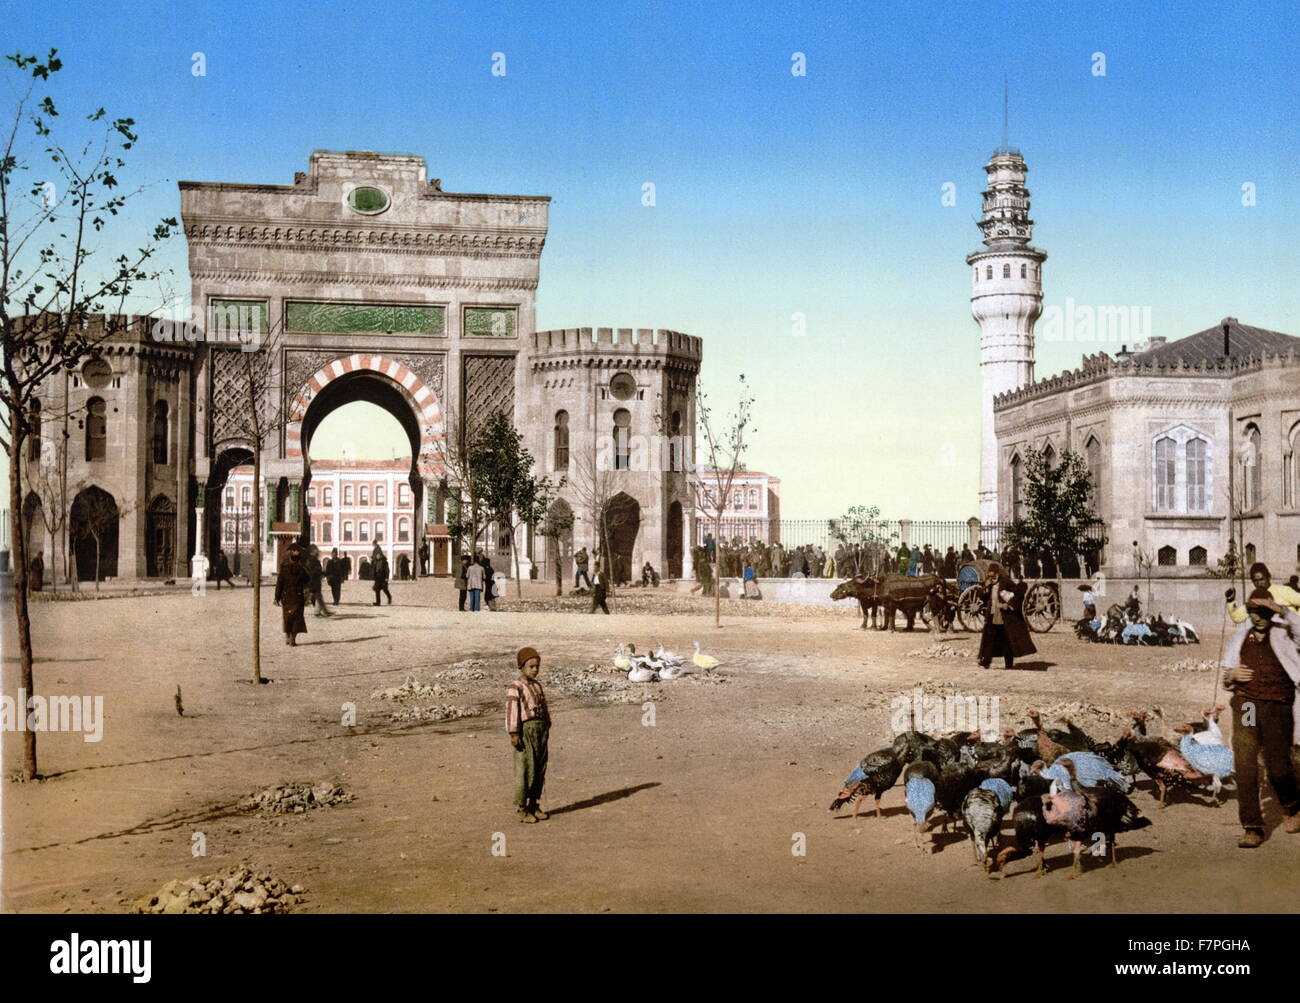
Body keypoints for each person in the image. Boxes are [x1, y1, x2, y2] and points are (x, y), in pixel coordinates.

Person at [1220, 588, 1300, 847]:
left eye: (1263, 612)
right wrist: (1231, 676)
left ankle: (1292, 806)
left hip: (1278, 706)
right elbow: (1225, 676)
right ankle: (1252, 826)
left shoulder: (1285, 633)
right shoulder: (1240, 637)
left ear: (1271, 612)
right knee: (1245, 761)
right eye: (1253, 612)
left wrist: (1282, 610)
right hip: (1248, 704)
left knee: (1278, 766)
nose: (1258, 618)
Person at [506, 646, 551, 823]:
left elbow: (544, 706)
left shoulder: (537, 686)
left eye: (537, 666)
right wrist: (514, 733)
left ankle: (534, 804)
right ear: (521, 667)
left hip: (541, 731)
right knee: (526, 769)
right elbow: (512, 712)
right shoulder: (515, 687)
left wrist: (547, 723)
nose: (535, 670)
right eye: (531, 666)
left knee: (539, 769)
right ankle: (522, 808)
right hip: (525, 733)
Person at [977, 563, 1036, 670]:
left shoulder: (1006, 582)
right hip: (992, 615)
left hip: (1004, 617)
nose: (991, 578)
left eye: (993, 576)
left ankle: (1008, 664)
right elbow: (983, 597)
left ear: (998, 574)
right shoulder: (989, 583)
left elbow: (1018, 592)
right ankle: (985, 661)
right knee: (989, 639)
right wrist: (985, 588)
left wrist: (1008, 605)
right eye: (989, 576)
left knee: (1006, 640)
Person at [1225, 563, 1300, 624]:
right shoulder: (1255, 597)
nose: (1259, 583)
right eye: (1255, 581)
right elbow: (1238, 618)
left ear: (1269, 577)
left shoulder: (1283, 590)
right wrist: (1230, 601)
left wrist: (1295, 620)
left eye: (1261, 579)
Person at [273, 542, 310, 646]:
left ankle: (287, 637)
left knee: (287, 618)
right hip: (297, 597)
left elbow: (279, 584)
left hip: (286, 597)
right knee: (297, 619)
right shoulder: (301, 569)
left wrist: (276, 597)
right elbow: (308, 580)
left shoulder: (284, 569)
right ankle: (293, 640)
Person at [307, 545, 333, 617]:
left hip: (316, 583)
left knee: (319, 598)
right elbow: (310, 571)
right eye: (316, 550)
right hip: (311, 583)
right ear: (312, 551)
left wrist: (326, 574)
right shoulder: (309, 560)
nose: (317, 552)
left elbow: (319, 571)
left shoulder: (316, 561)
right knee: (306, 598)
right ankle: (322, 612)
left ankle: (321, 612)